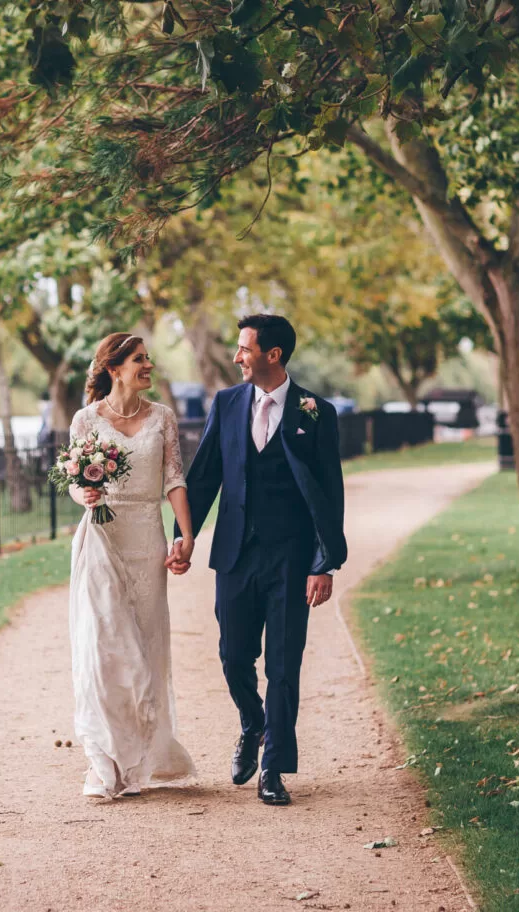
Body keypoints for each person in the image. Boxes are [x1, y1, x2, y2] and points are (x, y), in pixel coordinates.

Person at [170, 314, 347, 806]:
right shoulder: (226, 403)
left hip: (291, 559)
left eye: (244, 348)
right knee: (232, 656)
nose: (236, 357)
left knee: (285, 665)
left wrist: (323, 562)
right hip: (235, 553)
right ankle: (253, 724)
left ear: (273, 354)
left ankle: (273, 769)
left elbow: (329, 493)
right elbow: (204, 475)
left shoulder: (316, 411)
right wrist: (184, 536)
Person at [66, 332, 196, 798]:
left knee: (144, 644)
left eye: (148, 358)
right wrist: (83, 493)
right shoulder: (85, 420)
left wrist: (186, 533)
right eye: (139, 360)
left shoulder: (162, 417)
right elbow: (73, 482)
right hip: (101, 536)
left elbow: (174, 479)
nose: (148, 365)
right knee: (104, 645)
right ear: (114, 368)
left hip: (146, 536)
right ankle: (106, 762)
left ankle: (139, 755)